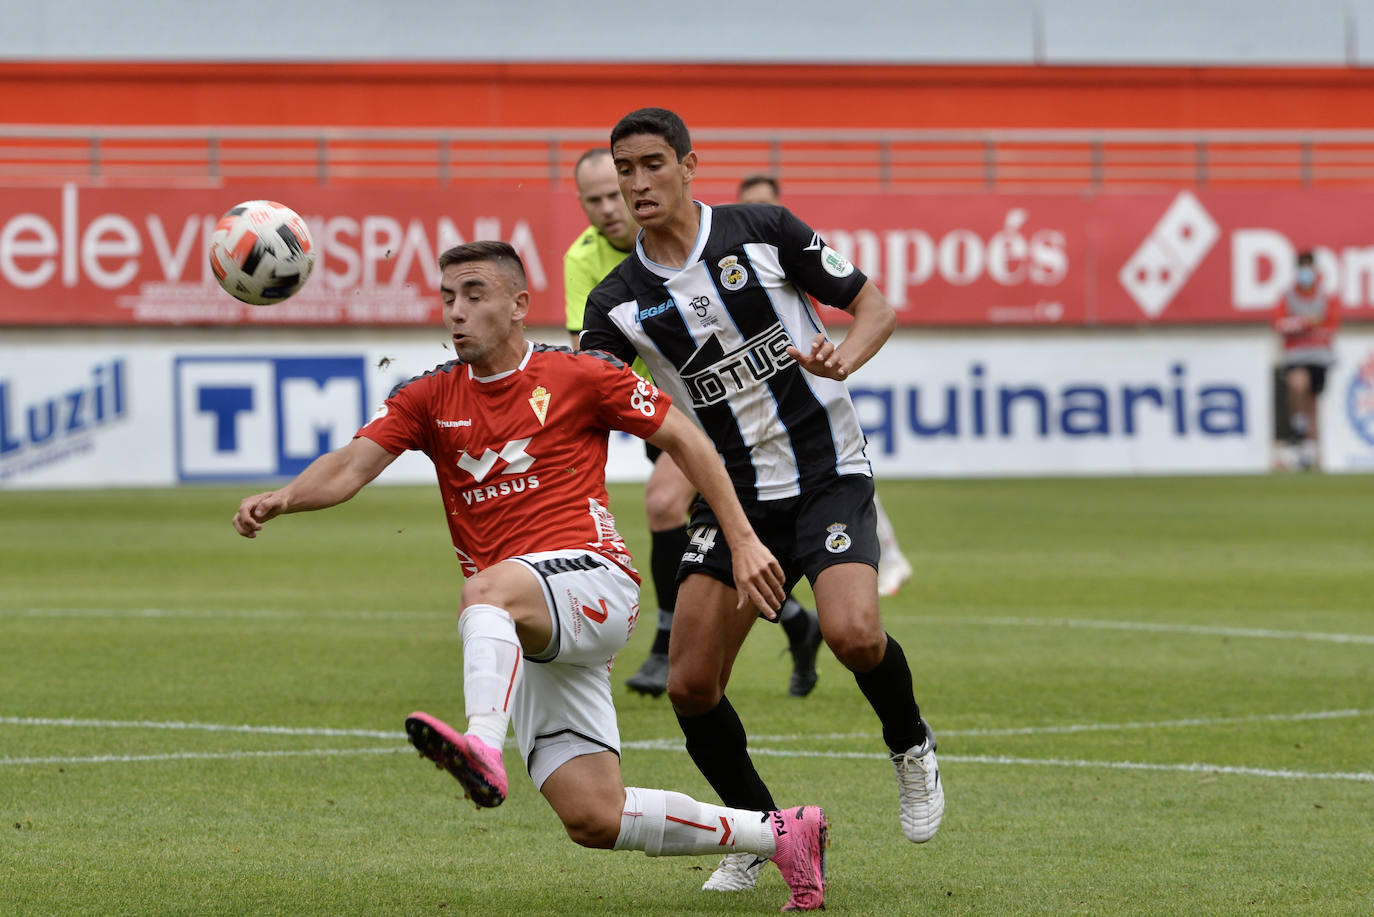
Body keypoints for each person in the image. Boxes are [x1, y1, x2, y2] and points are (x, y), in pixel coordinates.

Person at [231, 240, 828, 911]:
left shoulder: (581, 374)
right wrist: (284, 496)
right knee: (594, 816)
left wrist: (742, 539)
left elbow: (687, 438)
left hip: (594, 581)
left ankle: (483, 745)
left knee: (483, 589)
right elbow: (348, 466)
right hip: (529, 618)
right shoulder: (427, 395)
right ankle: (780, 832)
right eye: (448, 296)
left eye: (475, 294)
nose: (456, 311)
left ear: (519, 305)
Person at [581, 108, 944, 893]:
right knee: (689, 685)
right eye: (623, 171)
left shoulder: (761, 228)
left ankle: (911, 744)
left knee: (852, 631)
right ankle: (760, 830)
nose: (637, 183)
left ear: (687, 165)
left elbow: (874, 305)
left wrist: (844, 356)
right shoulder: (617, 300)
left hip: (826, 473)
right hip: (734, 502)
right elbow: (589, 397)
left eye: (651, 165)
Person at [566, 148, 825, 698]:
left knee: (662, 505)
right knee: (702, 527)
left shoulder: (703, 239)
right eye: (597, 199)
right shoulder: (585, 262)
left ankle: (664, 644)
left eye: (616, 194)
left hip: (719, 415)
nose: (611, 207)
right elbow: (590, 362)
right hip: (661, 412)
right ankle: (799, 621)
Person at [734, 174, 914, 598]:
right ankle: (882, 557)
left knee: (838, 469)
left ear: (778, 203)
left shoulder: (786, 249)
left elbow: (849, 305)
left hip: (808, 371)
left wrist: (835, 357)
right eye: (750, 203)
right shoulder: (741, 253)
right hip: (767, 385)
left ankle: (882, 557)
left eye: (764, 202)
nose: (757, 210)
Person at [1274, 250, 1338, 471]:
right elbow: (1279, 325)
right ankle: (1298, 427)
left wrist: (1309, 326)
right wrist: (1305, 323)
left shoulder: (1325, 296)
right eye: (1302, 268)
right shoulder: (1288, 296)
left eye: (1309, 268)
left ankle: (1308, 454)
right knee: (1297, 383)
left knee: (1312, 401)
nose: (1305, 273)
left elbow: (1331, 325)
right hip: (1295, 354)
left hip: (1319, 356)